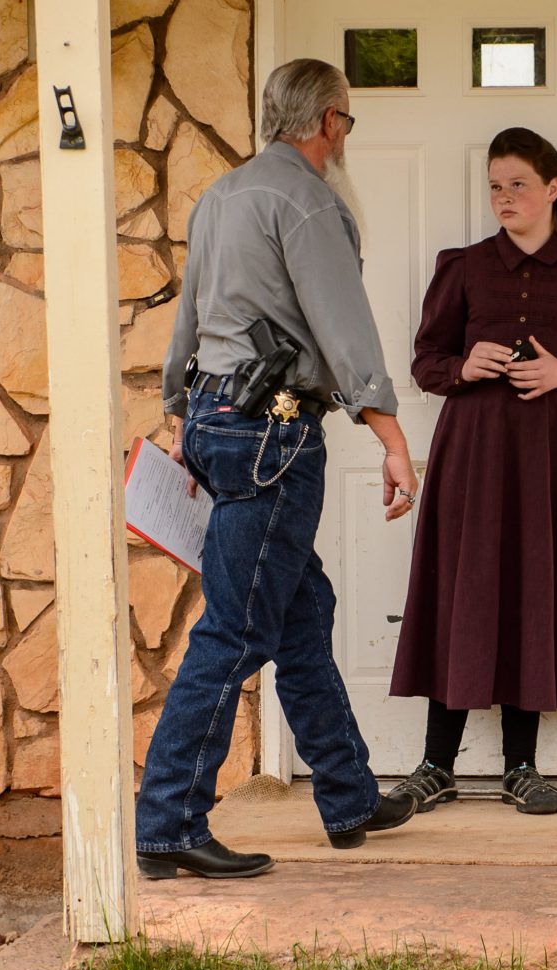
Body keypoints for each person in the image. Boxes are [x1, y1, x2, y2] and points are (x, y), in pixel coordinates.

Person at [135, 58, 419, 880]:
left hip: (219, 423)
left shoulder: (221, 195)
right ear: (328, 120)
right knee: (235, 628)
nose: (345, 137)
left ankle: (347, 794)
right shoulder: (307, 201)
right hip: (274, 434)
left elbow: (190, 310)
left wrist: (179, 408)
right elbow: (343, 326)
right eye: (348, 123)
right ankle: (167, 822)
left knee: (299, 608)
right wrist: (392, 439)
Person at [388, 127, 557, 815]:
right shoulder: (463, 267)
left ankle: (520, 768)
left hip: (554, 463)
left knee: (534, 592)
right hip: (472, 454)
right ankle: (434, 765)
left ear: (551, 189)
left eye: (517, 185)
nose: (503, 197)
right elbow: (424, 361)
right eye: (495, 186)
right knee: (460, 590)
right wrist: (461, 367)